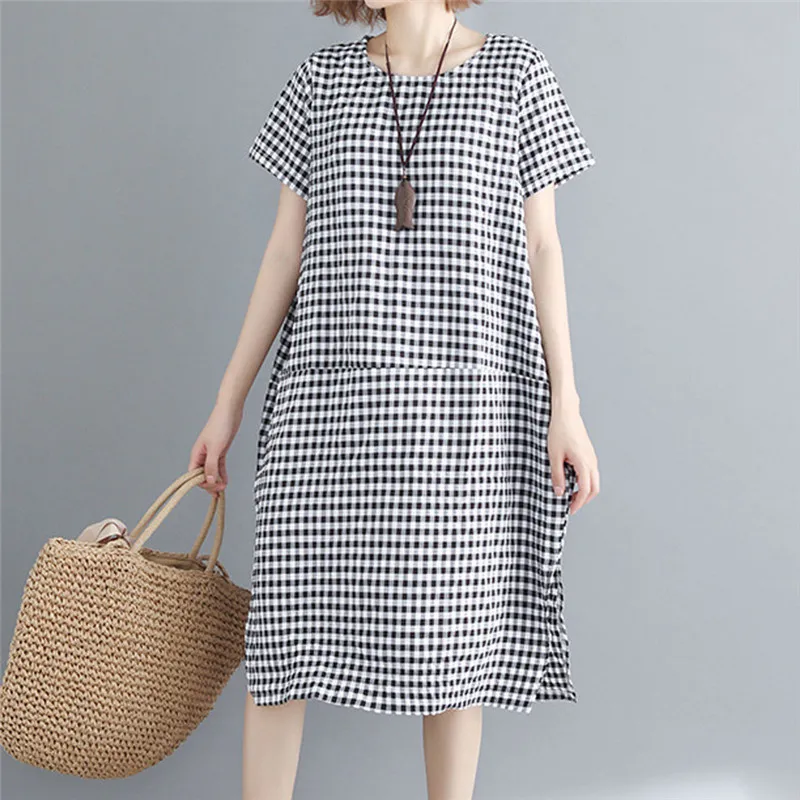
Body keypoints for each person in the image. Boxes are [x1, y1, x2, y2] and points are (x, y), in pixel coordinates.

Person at [189, 1, 601, 798]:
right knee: (285, 637)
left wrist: (568, 406)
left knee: (451, 644)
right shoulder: (322, 80)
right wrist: (226, 402)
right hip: (327, 410)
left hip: (466, 410)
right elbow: (285, 250)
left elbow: (542, 245)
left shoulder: (516, 74)